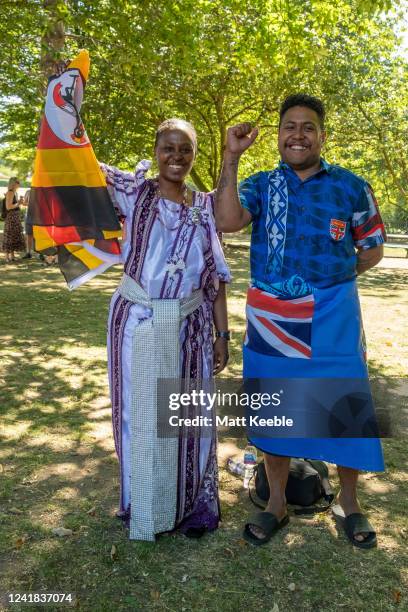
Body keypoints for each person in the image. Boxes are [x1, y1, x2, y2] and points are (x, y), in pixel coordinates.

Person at [215, 94, 386, 548]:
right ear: (278, 135)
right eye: (289, 126)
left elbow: (372, 247)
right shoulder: (259, 183)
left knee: (344, 404)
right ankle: (275, 504)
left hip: (334, 314)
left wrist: (330, 280)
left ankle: (348, 503)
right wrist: (230, 157)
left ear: (322, 135)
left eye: (307, 127)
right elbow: (227, 220)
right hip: (273, 316)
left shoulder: (352, 186)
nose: (298, 135)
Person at [100, 118, 231, 541]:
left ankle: (188, 506)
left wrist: (222, 334)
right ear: (156, 151)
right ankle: (142, 503)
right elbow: (80, 165)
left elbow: (215, 280)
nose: (177, 157)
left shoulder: (205, 206)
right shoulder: (133, 191)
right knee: (137, 414)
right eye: (169, 149)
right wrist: (63, 105)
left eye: (186, 150)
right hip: (135, 320)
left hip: (189, 327)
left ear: (194, 154)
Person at [2, 177, 26, 262]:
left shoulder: (15, 193)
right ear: (13, 183)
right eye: (18, 182)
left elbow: (17, 204)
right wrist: (18, 203)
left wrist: (21, 202)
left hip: (15, 217)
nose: (19, 184)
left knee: (13, 236)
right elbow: (8, 207)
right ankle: (7, 257)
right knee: (9, 236)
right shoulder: (10, 193)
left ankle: (12, 256)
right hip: (11, 217)